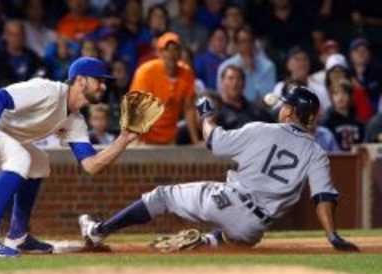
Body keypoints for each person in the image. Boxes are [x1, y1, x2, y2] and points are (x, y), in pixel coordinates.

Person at [78, 86, 359, 252]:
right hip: (254, 229)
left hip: (228, 202)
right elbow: (323, 197)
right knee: (230, 235)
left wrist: (206, 115)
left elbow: (213, 140)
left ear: (289, 112)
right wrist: (331, 235)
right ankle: (207, 242)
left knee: (162, 196)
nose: (283, 107)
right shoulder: (317, 152)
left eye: (286, 104)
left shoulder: (263, 129)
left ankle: (99, 231)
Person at [0, 56, 139, 257]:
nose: (103, 87)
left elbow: (91, 165)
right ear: (81, 80)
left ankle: (18, 237)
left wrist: (123, 140)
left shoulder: (75, 120)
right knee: (20, 158)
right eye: (99, 80)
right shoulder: (48, 90)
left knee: (39, 163)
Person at [130, 32, 200, 145]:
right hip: (143, 138)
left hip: (169, 137)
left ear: (180, 53)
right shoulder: (145, 72)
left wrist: (195, 141)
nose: (171, 54)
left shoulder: (187, 73)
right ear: (159, 53)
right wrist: (136, 141)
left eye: (175, 49)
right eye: (167, 50)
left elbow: (189, 108)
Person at [216, 26, 276, 104]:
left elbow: (268, 99)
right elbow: (222, 94)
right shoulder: (225, 66)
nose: (247, 45)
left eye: (250, 41)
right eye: (242, 41)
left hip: (259, 111)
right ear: (236, 44)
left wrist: (251, 73)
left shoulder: (268, 66)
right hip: (230, 109)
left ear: (254, 43)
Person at [213, 65, 273, 129]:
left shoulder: (257, 111)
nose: (235, 83)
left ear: (244, 83)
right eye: (230, 78)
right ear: (222, 82)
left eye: (239, 79)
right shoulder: (215, 113)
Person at [322, 80, 364, 151]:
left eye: (344, 93)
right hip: (337, 159)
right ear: (331, 97)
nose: (340, 97)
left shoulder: (358, 121)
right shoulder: (327, 122)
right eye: (336, 94)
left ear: (350, 97)